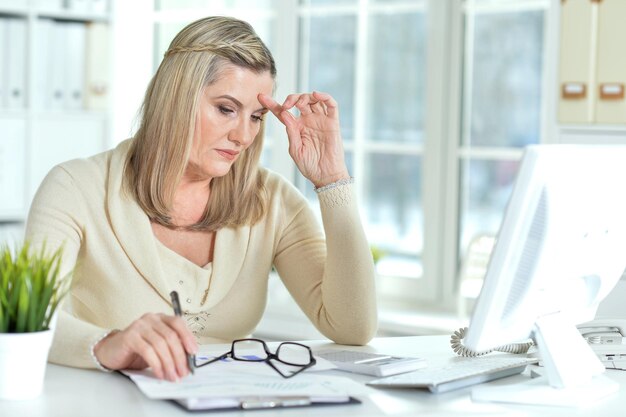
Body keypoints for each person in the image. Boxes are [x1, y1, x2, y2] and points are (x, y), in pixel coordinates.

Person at [25, 16, 377, 382]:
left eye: (256, 117)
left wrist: (333, 181)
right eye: (226, 109)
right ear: (176, 97)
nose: (244, 135)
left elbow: (353, 328)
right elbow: (26, 323)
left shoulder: (272, 201)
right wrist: (108, 344)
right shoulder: (75, 188)